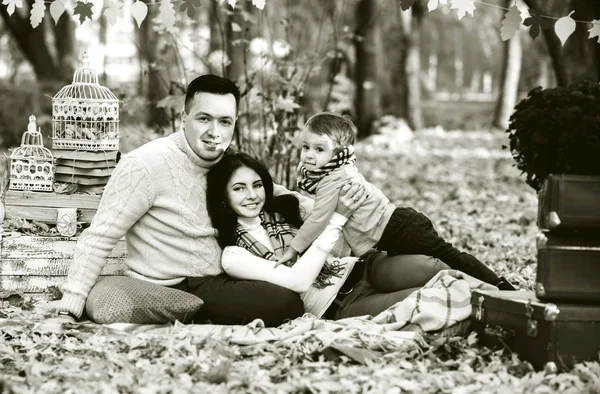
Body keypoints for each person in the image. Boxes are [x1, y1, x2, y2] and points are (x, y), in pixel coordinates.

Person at [49, 74, 357, 327]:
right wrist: (69, 307)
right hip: (176, 284)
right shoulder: (144, 165)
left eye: (225, 122)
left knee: (310, 284)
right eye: (204, 119)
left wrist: (342, 210)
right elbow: (100, 236)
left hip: (230, 275)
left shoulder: (226, 161)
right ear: (184, 118)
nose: (214, 133)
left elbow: (276, 193)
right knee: (284, 302)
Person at [207, 151, 467, 319]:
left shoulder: (285, 212)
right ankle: (492, 310)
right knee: (429, 299)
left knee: (434, 268)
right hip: (338, 303)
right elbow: (297, 282)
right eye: (239, 189)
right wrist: (338, 218)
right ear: (223, 198)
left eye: (257, 185)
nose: (252, 195)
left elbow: (331, 198)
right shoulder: (234, 255)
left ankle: (496, 296)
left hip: (363, 269)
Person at [276, 112, 515, 290]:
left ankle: (499, 286)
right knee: (441, 260)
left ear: (338, 153)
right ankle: (490, 286)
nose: (309, 154)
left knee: (449, 257)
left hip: (399, 229)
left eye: (319, 149)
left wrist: (294, 249)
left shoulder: (332, 179)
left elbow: (319, 219)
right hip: (396, 228)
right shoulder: (339, 168)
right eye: (305, 147)